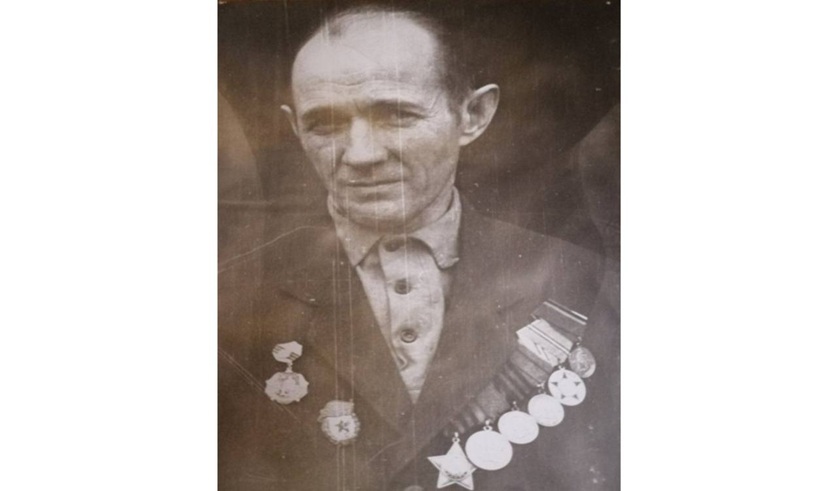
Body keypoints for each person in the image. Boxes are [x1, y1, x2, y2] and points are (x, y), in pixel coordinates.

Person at [219, 5, 619, 490]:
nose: (361, 154)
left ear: (473, 115)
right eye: (325, 124)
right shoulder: (233, 295)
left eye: (397, 115)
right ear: (296, 130)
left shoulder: (581, 280)